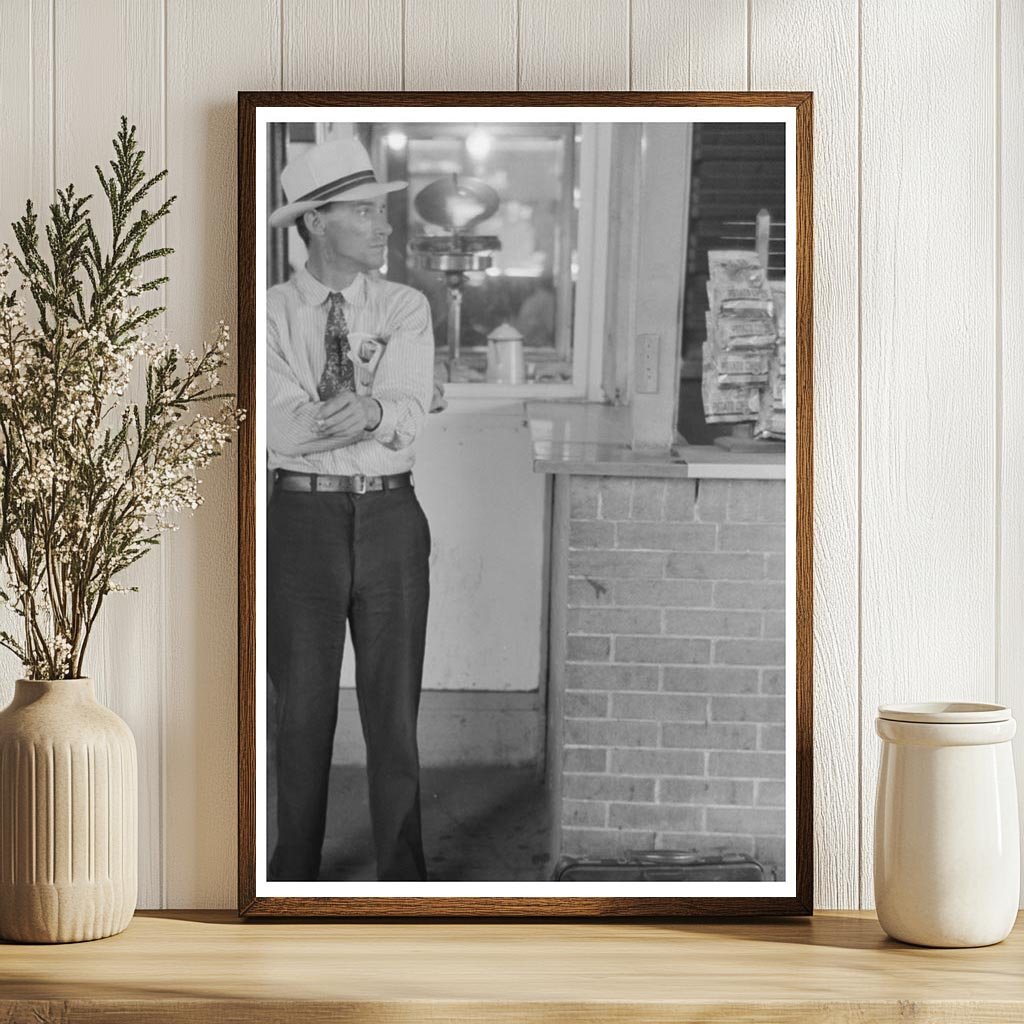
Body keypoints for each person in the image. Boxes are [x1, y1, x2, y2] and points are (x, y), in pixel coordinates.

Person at [265, 135, 435, 882]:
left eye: (380, 211)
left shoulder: (406, 306)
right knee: (300, 714)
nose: (383, 225)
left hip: (393, 519)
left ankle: (405, 876)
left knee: (393, 716)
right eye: (363, 212)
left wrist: (374, 409)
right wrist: (368, 408)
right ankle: (291, 876)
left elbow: (406, 411)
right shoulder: (269, 312)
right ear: (315, 223)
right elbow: (278, 426)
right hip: (300, 525)